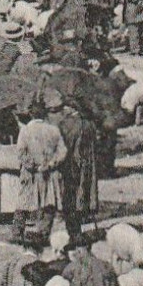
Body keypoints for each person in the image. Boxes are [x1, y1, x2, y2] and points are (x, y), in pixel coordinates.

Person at [14, 98, 67, 249]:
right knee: (49, 203)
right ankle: (43, 233)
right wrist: (50, 164)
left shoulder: (25, 131)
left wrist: (33, 166)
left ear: (30, 114)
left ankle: (18, 232)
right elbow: (62, 152)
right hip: (50, 174)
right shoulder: (54, 130)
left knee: (24, 202)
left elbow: (21, 152)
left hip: (31, 174)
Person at [53, 99, 99, 238]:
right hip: (88, 165)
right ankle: (84, 226)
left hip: (70, 165)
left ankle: (73, 230)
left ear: (70, 108)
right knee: (86, 193)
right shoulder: (89, 124)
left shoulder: (65, 124)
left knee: (70, 197)